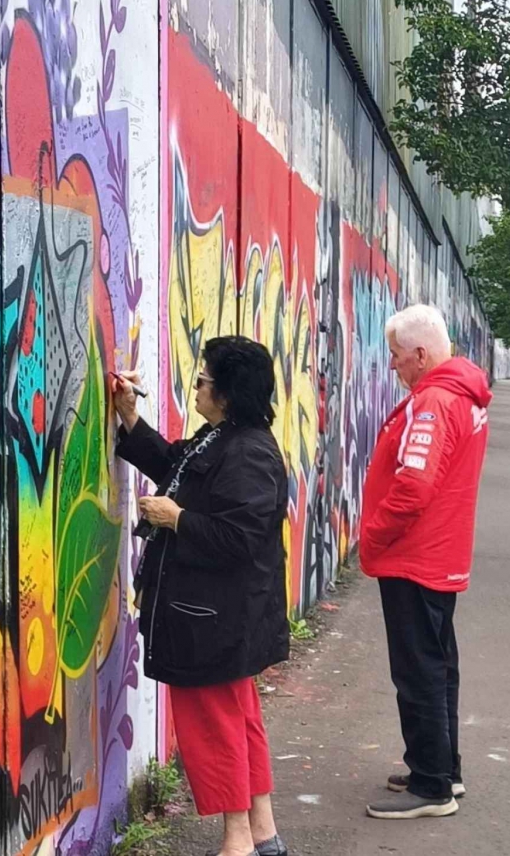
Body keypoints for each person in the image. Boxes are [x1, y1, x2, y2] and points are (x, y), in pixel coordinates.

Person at [112, 337, 292, 856]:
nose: (197, 387)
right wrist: (129, 417)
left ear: (229, 393)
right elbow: (175, 462)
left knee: (214, 730)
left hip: (213, 621)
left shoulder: (249, 451)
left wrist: (178, 519)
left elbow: (240, 539)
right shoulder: (225, 438)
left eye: (204, 380)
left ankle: (237, 842)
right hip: (217, 619)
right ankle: (263, 832)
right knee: (239, 720)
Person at [360, 304, 493, 819]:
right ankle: (441, 769)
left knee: (417, 670)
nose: (392, 365)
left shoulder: (434, 402)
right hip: (440, 555)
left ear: (420, 354)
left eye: (396, 356)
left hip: (413, 557)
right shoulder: (464, 395)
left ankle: (431, 787)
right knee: (438, 666)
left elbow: (413, 486)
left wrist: (372, 535)